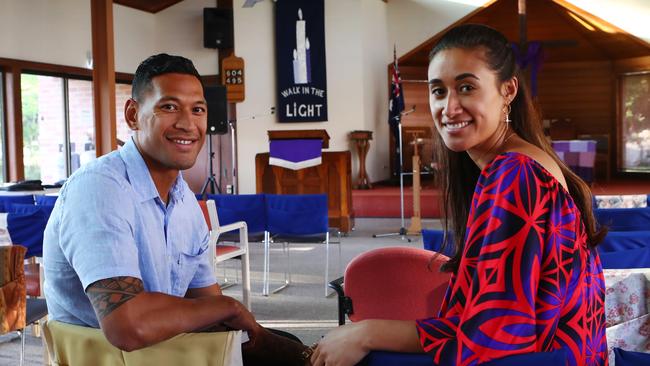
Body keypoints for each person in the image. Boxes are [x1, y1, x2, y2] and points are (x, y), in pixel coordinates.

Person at [310, 24, 607, 366]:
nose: (449, 108)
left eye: (466, 87)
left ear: (508, 89)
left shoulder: (515, 175)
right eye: (438, 91)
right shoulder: (516, 164)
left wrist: (368, 332)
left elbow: (492, 337)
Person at [43, 53, 309, 365]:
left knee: (286, 347)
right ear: (132, 115)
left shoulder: (184, 202)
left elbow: (205, 303)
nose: (187, 123)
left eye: (197, 110)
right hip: (111, 356)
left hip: (165, 347)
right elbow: (128, 326)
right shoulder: (101, 188)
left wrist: (283, 347)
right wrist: (231, 308)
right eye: (168, 107)